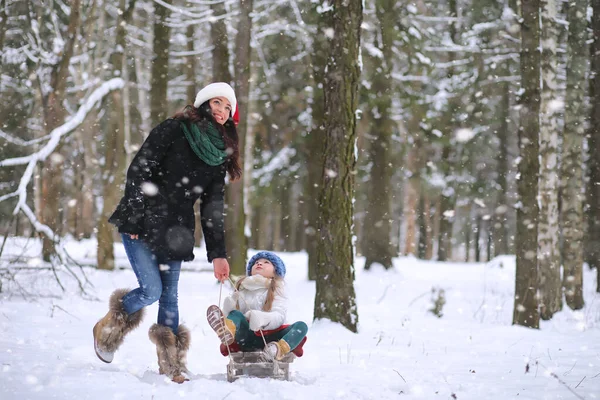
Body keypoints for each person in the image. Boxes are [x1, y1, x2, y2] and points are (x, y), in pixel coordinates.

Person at [93, 82, 241, 383]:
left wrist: (218, 254)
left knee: (170, 298)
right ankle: (109, 326)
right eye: (217, 102)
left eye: (228, 107)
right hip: (144, 219)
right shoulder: (175, 129)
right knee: (152, 290)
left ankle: (171, 365)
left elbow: (213, 206)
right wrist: (133, 216)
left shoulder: (217, 154)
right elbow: (139, 169)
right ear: (203, 103)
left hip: (177, 230)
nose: (222, 110)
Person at [208, 251, 308, 361]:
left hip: (272, 338)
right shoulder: (242, 288)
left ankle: (278, 349)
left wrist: (263, 319)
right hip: (246, 338)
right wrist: (228, 310)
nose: (259, 264)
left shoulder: (277, 290)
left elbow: (279, 316)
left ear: (275, 272)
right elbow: (238, 320)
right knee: (235, 314)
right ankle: (226, 331)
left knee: (301, 326)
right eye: (256, 262)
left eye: (266, 262)